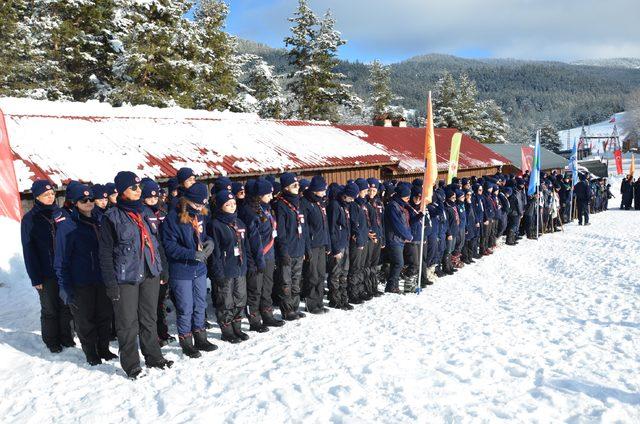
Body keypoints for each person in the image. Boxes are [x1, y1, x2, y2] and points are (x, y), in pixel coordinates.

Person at [99, 171, 173, 379]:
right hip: (126, 277)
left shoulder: (143, 212)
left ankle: (154, 357)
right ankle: (131, 365)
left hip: (149, 271)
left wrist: (161, 267)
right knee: (127, 323)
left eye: (139, 187)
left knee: (149, 318)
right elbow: (104, 254)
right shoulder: (111, 218)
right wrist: (110, 284)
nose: (138, 191)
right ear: (122, 190)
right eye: (134, 187)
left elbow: (155, 242)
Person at [54, 184, 117, 365]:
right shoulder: (68, 226)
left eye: (91, 199)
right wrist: (65, 287)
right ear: (75, 202)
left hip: (102, 279)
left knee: (104, 317)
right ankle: (91, 353)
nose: (89, 202)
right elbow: (61, 261)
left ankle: (104, 348)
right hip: (81, 282)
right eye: (84, 200)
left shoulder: (100, 219)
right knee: (85, 320)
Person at [162, 182, 217, 358]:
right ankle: (186, 341)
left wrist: (210, 242)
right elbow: (169, 246)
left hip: (199, 268)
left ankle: (201, 337)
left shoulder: (199, 215)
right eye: (196, 204)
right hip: (182, 269)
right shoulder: (173, 218)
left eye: (202, 204)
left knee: (200, 304)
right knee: (186, 307)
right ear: (187, 201)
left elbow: (203, 235)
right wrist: (191, 254)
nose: (200, 207)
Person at [21, 180, 74, 353]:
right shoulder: (30, 219)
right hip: (45, 271)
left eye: (52, 193)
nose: (51, 197)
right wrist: (35, 277)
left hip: (64, 269)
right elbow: (29, 250)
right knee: (50, 308)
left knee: (65, 305)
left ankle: (67, 337)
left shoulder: (62, 213)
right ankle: (52, 341)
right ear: (37, 197)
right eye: (46, 195)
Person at [208, 190, 254, 343]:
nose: (232, 206)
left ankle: (237, 327)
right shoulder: (215, 225)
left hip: (240, 268)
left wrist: (248, 264)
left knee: (240, 298)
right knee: (226, 300)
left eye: (234, 203)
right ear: (221, 206)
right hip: (226, 269)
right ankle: (227, 330)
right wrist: (218, 272)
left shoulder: (239, 223)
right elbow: (216, 252)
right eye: (228, 204)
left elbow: (246, 245)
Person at [238, 178, 284, 330]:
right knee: (255, 290)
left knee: (267, 287)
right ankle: (254, 320)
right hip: (256, 258)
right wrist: (258, 260)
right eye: (268, 194)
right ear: (259, 195)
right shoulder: (249, 212)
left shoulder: (266, 208)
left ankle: (267, 315)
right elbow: (253, 240)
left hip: (268, 255)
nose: (271, 197)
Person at [141, 180, 174, 347]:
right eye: (149, 197)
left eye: (156, 196)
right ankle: (154, 335)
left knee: (160, 301)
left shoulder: (161, 211)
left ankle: (162, 331)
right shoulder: (144, 213)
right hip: (153, 262)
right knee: (152, 304)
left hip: (165, 258)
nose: (153, 199)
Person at [272, 173, 307, 320]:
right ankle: (287, 310)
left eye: (298, 184)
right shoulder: (281, 205)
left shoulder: (298, 203)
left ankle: (294, 307)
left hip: (298, 248)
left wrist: (304, 248)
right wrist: (283, 251)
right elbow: (281, 233)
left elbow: (303, 228)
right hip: (287, 250)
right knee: (286, 282)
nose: (297, 187)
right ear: (286, 187)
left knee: (296, 281)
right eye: (294, 185)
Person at [300, 175, 330, 314]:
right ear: (315, 190)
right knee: (312, 275)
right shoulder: (305, 203)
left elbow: (325, 225)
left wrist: (327, 243)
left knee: (321, 274)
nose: (325, 192)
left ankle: (319, 302)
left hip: (321, 243)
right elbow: (304, 228)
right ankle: (311, 303)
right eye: (322, 189)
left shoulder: (320, 202)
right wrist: (306, 248)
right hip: (311, 244)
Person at [327, 183, 357, 308]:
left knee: (344, 273)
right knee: (335, 273)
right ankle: (335, 300)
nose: (353, 200)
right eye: (351, 197)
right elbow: (332, 227)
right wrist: (335, 248)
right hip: (338, 245)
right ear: (346, 195)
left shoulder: (346, 205)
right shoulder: (335, 205)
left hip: (346, 243)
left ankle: (344, 299)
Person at [383, 182, 412, 293]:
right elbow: (397, 225)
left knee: (398, 263)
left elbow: (405, 223)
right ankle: (391, 285)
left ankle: (393, 284)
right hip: (393, 239)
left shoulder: (401, 206)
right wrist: (407, 235)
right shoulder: (392, 206)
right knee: (399, 263)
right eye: (406, 197)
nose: (408, 199)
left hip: (399, 239)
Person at [347, 178, 371, 302]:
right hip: (357, 241)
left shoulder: (362, 204)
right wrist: (358, 239)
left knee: (361, 266)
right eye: (365, 190)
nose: (366, 193)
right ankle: (353, 292)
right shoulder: (354, 205)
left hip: (363, 239)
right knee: (355, 268)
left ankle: (360, 290)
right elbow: (354, 224)